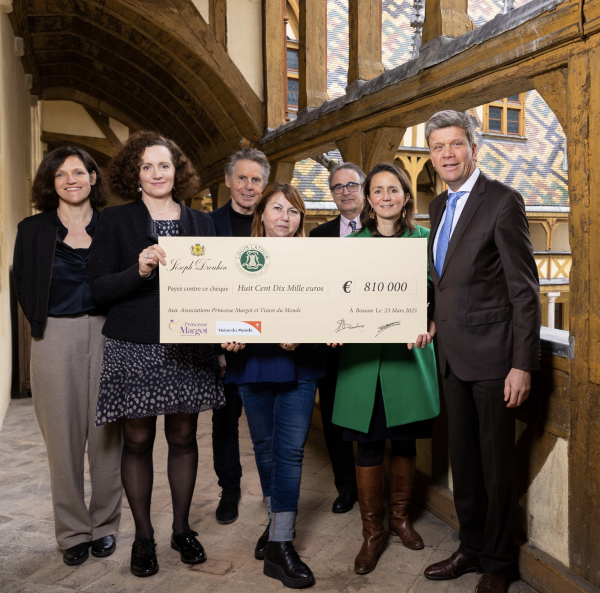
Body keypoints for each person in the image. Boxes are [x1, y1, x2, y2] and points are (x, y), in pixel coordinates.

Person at [90, 131, 226, 578]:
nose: (155, 173)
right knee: (138, 440)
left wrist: (227, 330)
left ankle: (183, 529)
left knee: (184, 438)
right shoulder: (114, 221)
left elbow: (219, 288)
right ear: (135, 173)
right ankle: (144, 537)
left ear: (176, 170)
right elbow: (98, 289)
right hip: (135, 345)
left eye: (163, 165)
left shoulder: (203, 223)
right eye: (146, 166)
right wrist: (140, 268)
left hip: (189, 344)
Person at [419, 111, 541, 593]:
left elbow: (524, 291)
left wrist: (521, 363)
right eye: (437, 147)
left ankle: (498, 562)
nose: (446, 154)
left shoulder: (503, 202)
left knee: (495, 466)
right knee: (464, 462)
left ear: (473, 147)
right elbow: (444, 283)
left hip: (495, 361)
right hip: (450, 357)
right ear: (430, 155)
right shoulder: (436, 207)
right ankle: (470, 547)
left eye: (455, 144)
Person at [13, 147, 123, 566]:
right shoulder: (33, 229)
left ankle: (105, 525)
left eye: (79, 172)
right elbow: (24, 284)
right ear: (51, 182)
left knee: (107, 436)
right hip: (54, 336)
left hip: (109, 331)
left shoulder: (113, 226)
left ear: (94, 178)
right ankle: (73, 530)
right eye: (61, 174)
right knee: (62, 439)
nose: (71, 179)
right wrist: (47, 324)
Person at [331, 162, 440, 575]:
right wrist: (332, 328)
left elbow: (439, 294)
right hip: (362, 361)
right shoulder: (352, 245)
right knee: (369, 443)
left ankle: (400, 518)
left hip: (408, 358)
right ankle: (372, 531)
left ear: (406, 196)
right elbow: (335, 299)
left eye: (393, 189)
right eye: (377, 191)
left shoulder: (425, 241)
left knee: (406, 441)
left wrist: (433, 324)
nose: (385, 197)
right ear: (369, 199)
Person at [225, 182, 325, 589]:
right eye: (278, 209)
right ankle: (275, 524)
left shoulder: (316, 259)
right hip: (251, 361)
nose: (285, 217)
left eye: (294, 211)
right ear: (261, 214)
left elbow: (330, 307)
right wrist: (225, 334)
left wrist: (306, 332)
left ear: (301, 218)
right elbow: (220, 303)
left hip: (299, 365)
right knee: (264, 449)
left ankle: (281, 544)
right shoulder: (234, 258)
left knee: (290, 452)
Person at [208, 147, 270, 525]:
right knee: (224, 422)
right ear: (229, 181)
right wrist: (217, 341)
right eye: (242, 178)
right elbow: (200, 287)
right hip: (224, 344)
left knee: (266, 423)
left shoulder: (274, 222)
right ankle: (229, 489)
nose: (248, 186)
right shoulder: (205, 223)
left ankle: (271, 486)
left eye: (256, 180)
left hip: (265, 341)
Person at [308, 162, 366, 513]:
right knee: (333, 418)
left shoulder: (381, 231)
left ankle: (372, 484)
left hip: (373, 342)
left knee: (370, 415)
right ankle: (346, 487)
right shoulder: (319, 236)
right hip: (331, 344)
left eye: (351, 185)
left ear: (363, 189)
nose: (345, 191)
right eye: (337, 187)